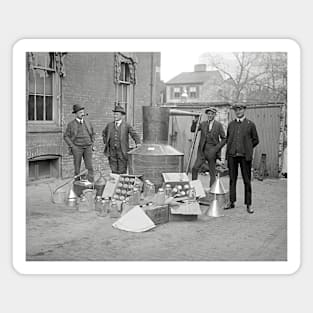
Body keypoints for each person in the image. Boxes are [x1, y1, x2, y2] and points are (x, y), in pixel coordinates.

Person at [225, 103, 259, 214]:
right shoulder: (231, 125)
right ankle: (231, 201)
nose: (238, 111)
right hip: (232, 156)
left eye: (240, 109)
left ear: (244, 110)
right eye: (236, 110)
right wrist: (227, 156)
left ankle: (249, 204)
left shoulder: (250, 124)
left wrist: (247, 148)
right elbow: (228, 140)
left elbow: (255, 140)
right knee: (232, 180)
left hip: (245, 157)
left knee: (247, 180)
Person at [190, 107, 226, 187]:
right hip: (202, 151)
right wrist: (195, 120)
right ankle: (194, 188)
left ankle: (212, 191)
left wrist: (216, 149)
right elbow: (193, 130)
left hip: (212, 152)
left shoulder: (218, 125)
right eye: (208, 114)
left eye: (212, 114)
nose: (210, 115)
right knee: (195, 168)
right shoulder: (203, 124)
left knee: (212, 172)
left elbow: (224, 139)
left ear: (214, 115)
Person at [102, 103, 141, 174]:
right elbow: (104, 133)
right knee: (113, 170)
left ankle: (121, 183)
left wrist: (138, 143)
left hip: (122, 151)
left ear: (122, 116)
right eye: (114, 114)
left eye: (117, 114)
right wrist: (106, 142)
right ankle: (114, 183)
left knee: (122, 170)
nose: (114, 116)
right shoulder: (109, 125)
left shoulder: (126, 125)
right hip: (112, 152)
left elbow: (134, 134)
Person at [64, 104, 96, 182]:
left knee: (89, 166)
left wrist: (92, 143)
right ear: (76, 114)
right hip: (77, 148)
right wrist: (72, 146)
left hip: (88, 147)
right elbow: (65, 136)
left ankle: (91, 183)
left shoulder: (88, 122)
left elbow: (93, 133)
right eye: (80, 112)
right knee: (77, 167)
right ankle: (77, 184)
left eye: (83, 112)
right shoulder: (71, 124)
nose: (82, 114)